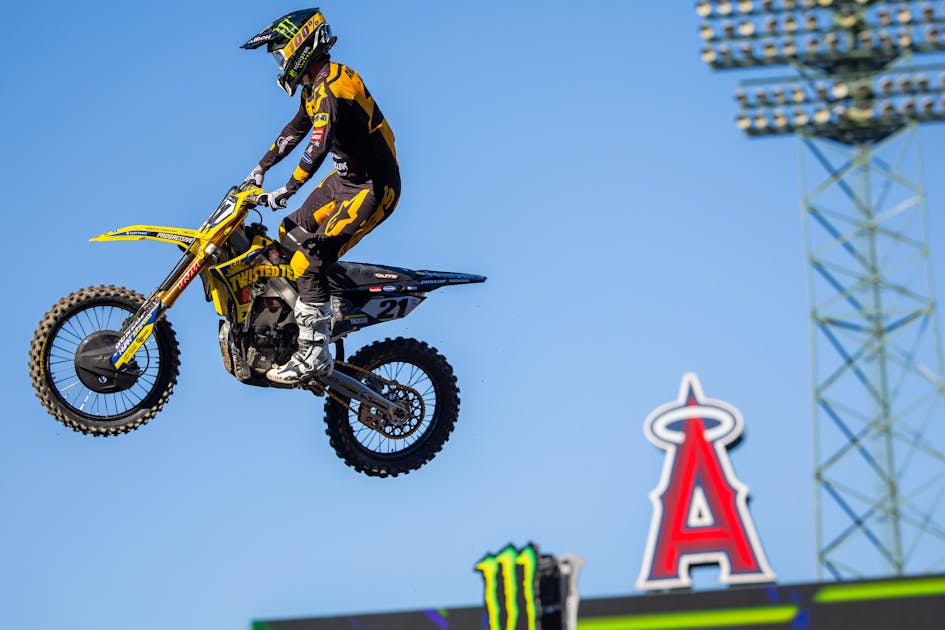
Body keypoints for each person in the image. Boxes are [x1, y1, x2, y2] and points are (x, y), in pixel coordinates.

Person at [240, 8, 400, 384]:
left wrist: (288, 187)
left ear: (300, 46)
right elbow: (295, 129)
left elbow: (318, 145)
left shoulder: (332, 89)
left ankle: (314, 352)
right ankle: (306, 310)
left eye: (281, 54)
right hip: (345, 180)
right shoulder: (315, 87)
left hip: (373, 188)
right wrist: (259, 168)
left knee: (310, 261)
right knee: (289, 231)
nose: (280, 63)